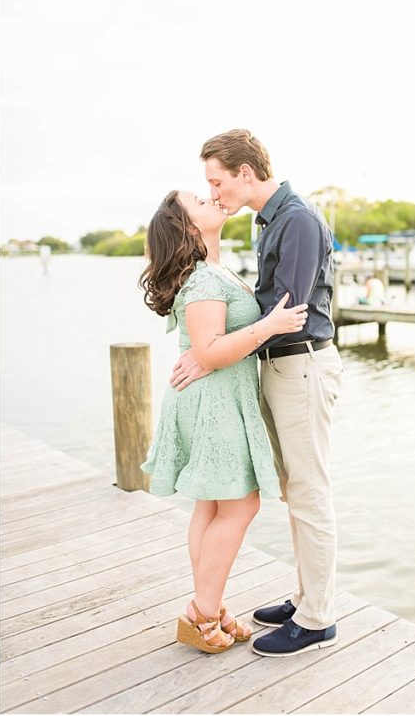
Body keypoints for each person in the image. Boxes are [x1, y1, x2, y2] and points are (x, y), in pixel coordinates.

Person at [173, 129, 343, 657]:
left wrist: (212, 354)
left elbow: (285, 315)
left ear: (246, 173)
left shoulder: (295, 219)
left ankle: (317, 618)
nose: (215, 191)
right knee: (295, 492)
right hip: (281, 368)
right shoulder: (270, 220)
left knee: (310, 493)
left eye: (217, 181)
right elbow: (269, 311)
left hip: (303, 367)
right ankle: (304, 597)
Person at [140, 190, 307, 654]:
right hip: (213, 401)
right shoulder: (203, 282)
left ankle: (206, 605)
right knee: (240, 504)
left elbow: (208, 348)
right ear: (188, 228)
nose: (209, 196)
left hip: (216, 395)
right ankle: (203, 611)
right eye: (196, 199)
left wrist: (225, 344)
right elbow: (211, 351)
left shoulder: (213, 271)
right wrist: (269, 325)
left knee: (213, 507)